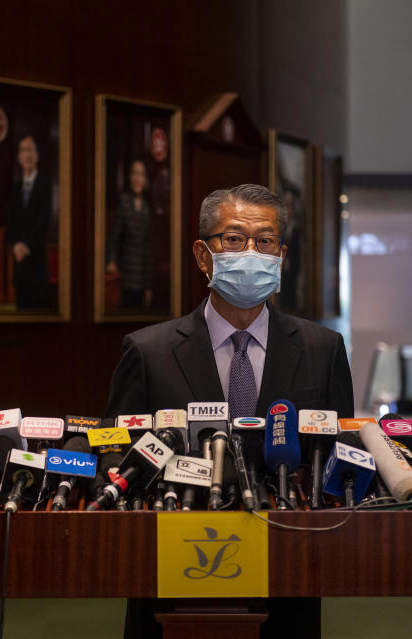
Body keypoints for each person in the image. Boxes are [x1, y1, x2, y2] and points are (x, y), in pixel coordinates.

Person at [106, 183, 353, 639]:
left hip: (289, 573)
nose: (252, 252)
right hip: (176, 570)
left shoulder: (323, 350)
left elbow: (338, 460)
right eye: (235, 239)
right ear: (203, 255)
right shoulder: (147, 352)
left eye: (266, 241)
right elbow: (119, 460)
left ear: (281, 255)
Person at [6, 135, 52, 309]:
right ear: (19, 156)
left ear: (37, 155)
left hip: (36, 263)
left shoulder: (45, 185)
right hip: (19, 266)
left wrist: (25, 245)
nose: (27, 154)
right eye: (23, 150)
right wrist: (16, 245)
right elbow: (10, 223)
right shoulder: (15, 188)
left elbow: (43, 222)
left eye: (30, 149)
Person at [106, 160, 153, 309]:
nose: (138, 178)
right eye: (135, 174)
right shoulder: (124, 202)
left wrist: (148, 286)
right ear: (130, 177)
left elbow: (147, 249)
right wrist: (111, 261)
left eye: (141, 175)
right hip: (124, 275)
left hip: (141, 278)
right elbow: (113, 238)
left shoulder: (146, 208)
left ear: (145, 179)